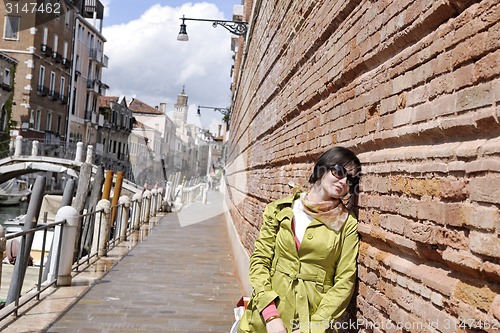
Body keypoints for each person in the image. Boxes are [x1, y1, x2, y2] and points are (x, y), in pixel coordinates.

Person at [237, 146, 361, 333]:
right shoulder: (280, 210)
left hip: (308, 322)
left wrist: (312, 327)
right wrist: (270, 315)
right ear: (322, 168)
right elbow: (260, 261)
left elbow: (345, 281)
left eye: (351, 179)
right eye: (339, 171)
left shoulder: (347, 224)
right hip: (264, 320)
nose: (344, 181)